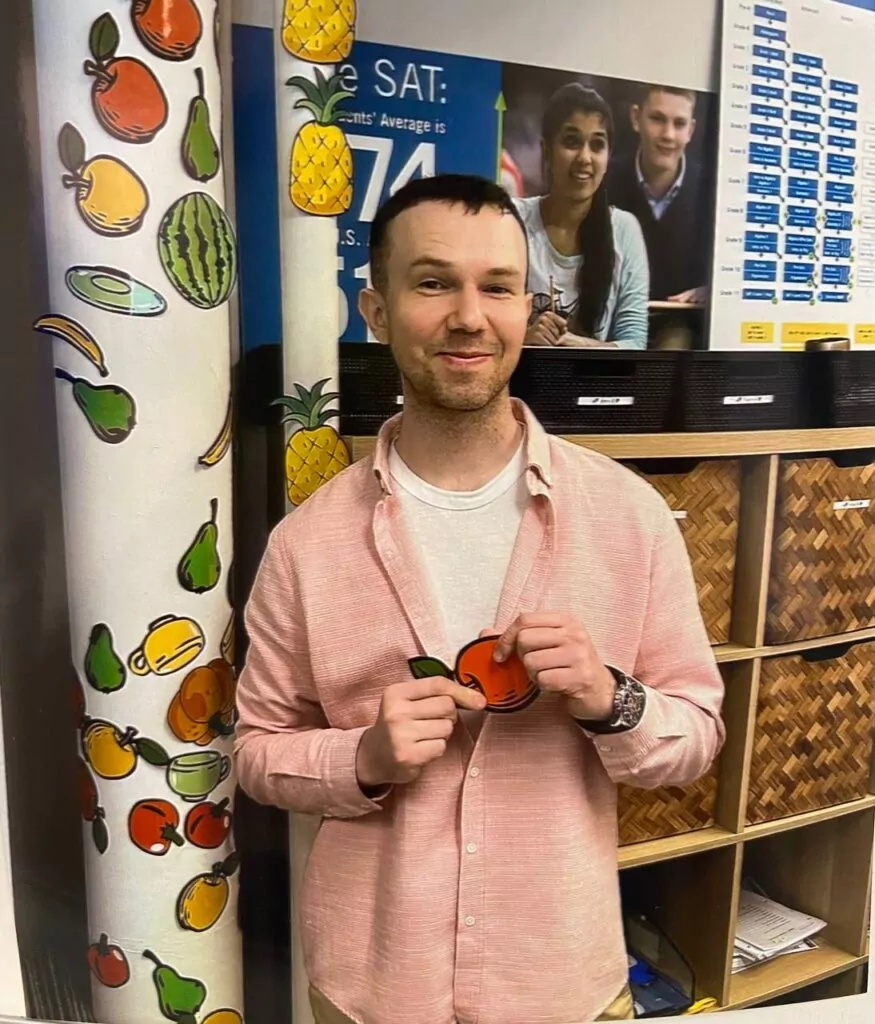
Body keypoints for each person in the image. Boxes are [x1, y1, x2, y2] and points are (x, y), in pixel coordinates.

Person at [234, 173, 725, 1024]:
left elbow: (696, 738)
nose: (469, 316)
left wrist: (610, 699)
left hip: (560, 983)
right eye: (432, 283)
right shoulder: (305, 545)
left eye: (496, 287)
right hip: (372, 989)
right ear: (377, 310)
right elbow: (256, 751)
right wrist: (363, 758)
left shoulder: (628, 516)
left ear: (526, 308)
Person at [513, 83, 650, 349]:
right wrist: (524, 340)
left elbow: (634, 343)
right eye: (571, 142)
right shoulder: (513, 220)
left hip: (593, 376)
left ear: (608, 156)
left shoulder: (624, 229)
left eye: (597, 145)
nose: (585, 158)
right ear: (546, 150)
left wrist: (583, 347)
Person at [607, 85, 712, 304]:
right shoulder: (603, 183)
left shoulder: (712, 188)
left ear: (691, 131)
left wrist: (714, 290)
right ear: (636, 118)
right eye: (657, 119)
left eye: (679, 124)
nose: (668, 135)